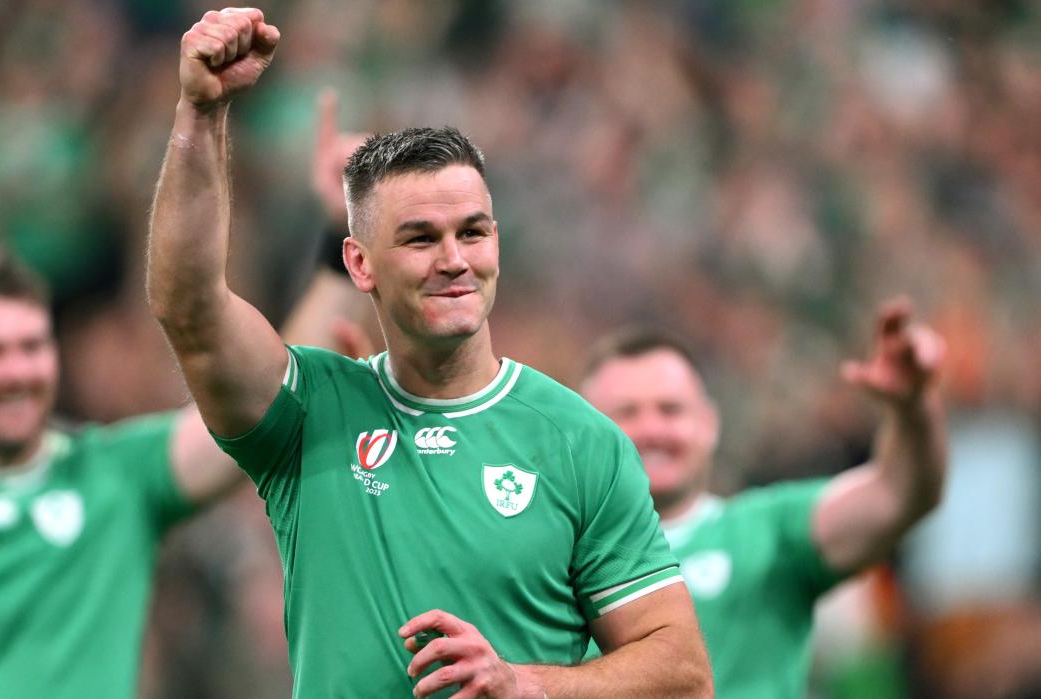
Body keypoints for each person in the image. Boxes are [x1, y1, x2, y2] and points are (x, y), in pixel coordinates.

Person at [147, 8, 712, 698]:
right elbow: (190, 310)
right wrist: (201, 115)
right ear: (359, 263)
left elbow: (682, 674)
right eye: (419, 238)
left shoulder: (579, 442)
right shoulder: (307, 413)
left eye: (473, 232)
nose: (454, 260)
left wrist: (526, 683)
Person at [0, 242, 351, 698]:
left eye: (31, 347)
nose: (16, 371)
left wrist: (338, 243)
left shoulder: (115, 474)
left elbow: (260, 402)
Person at [578, 300, 948, 698]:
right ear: (582, 435)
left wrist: (913, 409)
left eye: (671, 410)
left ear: (709, 424)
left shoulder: (767, 531)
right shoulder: (547, 558)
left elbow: (897, 494)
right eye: (626, 413)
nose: (651, 429)